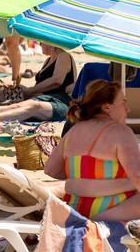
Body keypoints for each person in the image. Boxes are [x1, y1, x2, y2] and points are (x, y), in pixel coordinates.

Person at [44, 80, 140, 220]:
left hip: (76, 210)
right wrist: (124, 184)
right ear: (107, 107)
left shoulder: (73, 131)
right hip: (110, 212)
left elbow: (51, 170)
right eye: (123, 102)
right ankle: (99, 221)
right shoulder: (120, 132)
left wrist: (83, 181)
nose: (128, 108)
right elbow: (137, 177)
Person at [0, 44, 77, 122]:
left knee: (33, 106)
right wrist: (21, 88)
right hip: (44, 99)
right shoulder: (48, 60)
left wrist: (30, 90)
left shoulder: (63, 56)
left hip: (62, 102)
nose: (40, 45)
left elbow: (56, 81)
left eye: (40, 42)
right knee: (14, 105)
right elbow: (41, 87)